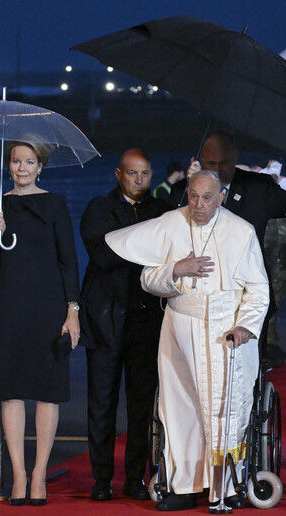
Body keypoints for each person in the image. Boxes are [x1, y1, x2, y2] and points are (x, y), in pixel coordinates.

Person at [105, 170, 270, 512]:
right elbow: (149, 278)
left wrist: (245, 326)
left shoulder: (241, 232)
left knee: (226, 410)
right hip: (180, 328)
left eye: (206, 198)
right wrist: (176, 269)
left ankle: (227, 487)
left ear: (221, 196)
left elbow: (258, 290)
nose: (198, 204)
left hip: (228, 334)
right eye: (193, 196)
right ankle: (184, 485)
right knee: (180, 410)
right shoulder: (170, 223)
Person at [168, 129, 286, 368]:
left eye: (225, 163)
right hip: (197, 304)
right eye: (211, 163)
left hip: (245, 302)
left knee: (246, 376)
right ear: (198, 161)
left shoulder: (257, 188)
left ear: (236, 157)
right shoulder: (182, 194)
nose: (217, 170)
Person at [0, 138, 80, 506]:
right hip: (8, 307)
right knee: (10, 388)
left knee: (47, 390)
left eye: (29, 162)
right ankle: (18, 476)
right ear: (8, 165)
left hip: (49, 308)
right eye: (16, 161)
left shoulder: (54, 204)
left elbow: (69, 261)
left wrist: (73, 311)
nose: (21, 168)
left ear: (41, 166)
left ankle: (40, 475)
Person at [80, 149, 169, 501]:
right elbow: (101, 254)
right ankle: (101, 479)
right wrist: (145, 247)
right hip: (104, 320)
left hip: (145, 322)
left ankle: (135, 477)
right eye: (132, 173)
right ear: (119, 174)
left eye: (145, 173)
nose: (139, 180)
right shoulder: (98, 208)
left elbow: (168, 254)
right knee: (101, 404)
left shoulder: (161, 210)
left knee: (141, 406)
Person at [260, 161, 286, 364]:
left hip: (282, 270)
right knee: (269, 308)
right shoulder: (271, 216)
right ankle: (268, 346)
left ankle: (271, 344)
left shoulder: (282, 216)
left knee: (275, 309)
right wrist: (274, 172)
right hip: (273, 268)